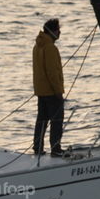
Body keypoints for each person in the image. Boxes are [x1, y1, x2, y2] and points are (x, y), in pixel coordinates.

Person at [32, 18, 65, 155]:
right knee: (57, 120)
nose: (60, 32)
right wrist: (58, 91)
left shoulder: (37, 46)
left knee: (42, 120)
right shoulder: (50, 48)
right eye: (58, 29)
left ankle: (38, 147)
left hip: (41, 91)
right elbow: (52, 72)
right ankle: (55, 149)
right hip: (51, 91)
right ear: (53, 31)